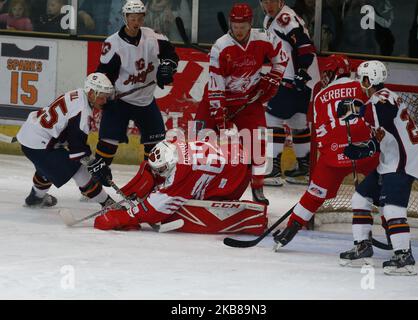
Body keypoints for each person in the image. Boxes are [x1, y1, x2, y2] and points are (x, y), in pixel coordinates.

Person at [271, 55, 379, 251]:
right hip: (366, 151)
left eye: (327, 73)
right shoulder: (362, 87)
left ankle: (288, 232)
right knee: (387, 192)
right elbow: (375, 118)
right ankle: (398, 241)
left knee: (313, 195)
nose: (325, 77)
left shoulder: (320, 94)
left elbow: (319, 131)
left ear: (333, 73)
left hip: (333, 156)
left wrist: (331, 152)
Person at [336, 60, 418, 276]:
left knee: (393, 208)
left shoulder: (382, 98)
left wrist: (356, 108)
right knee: (360, 197)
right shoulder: (378, 100)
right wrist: (363, 149)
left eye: (361, 78)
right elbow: (382, 137)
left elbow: (381, 112)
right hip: (391, 160)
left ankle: (404, 256)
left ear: (370, 79)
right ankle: (363, 246)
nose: (360, 82)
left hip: (402, 161)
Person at [194, 3, 288, 205]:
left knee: (258, 143)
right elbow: (215, 84)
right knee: (200, 140)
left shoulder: (264, 38)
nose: (238, 30)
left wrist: (273, 77)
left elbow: (281, 58)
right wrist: (220, 116)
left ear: (250, 23)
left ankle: (257, 187)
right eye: (235, 26)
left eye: (242, 26)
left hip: (248, 99)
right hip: (218, 99)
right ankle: (193, 183)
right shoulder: (220, 46)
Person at [93, 139, 268, 235]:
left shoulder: (181, 174)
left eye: (161, 170)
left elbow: (154, 211)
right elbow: (153, 165)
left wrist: (124, 216)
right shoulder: (175, 145)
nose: (159, 173)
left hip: (233, 178)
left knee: (185, 200)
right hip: (235, 153)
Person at [92, 0, 179, 185]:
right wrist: (104, 94)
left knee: (156, 146)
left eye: (140, 18)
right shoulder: (113, 44)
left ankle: (150, 181)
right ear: (125, 18)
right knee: (107, 143)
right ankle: (96, 180)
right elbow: (103, 73)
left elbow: (171, 55)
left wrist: (168, 68)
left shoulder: (154, 38)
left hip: (145, 101)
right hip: (119, 101)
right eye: (132, 18)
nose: (136, 22)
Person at [16, 73, 116, 208]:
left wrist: (93, 162)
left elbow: (70, 134)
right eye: (102, 96)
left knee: (49, 167)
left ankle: (35, 198)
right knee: (79, 171)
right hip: (39, 143)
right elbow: (78, 150)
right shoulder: (83, 112)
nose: (105, 100)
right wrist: (95, 165)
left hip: (32, 134)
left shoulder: (78, 93)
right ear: (91, 93)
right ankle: (108, 204)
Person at [259, 0, 316, 187]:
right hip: (301, 79)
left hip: (293, 78)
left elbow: (306, 48)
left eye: (272, 0)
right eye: (264, 0)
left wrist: (301, 73)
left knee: (271, 119)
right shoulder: (271, 18)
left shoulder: (285, 18)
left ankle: (273, 169)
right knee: (297, 121)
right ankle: (303, 169)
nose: (268, 4)